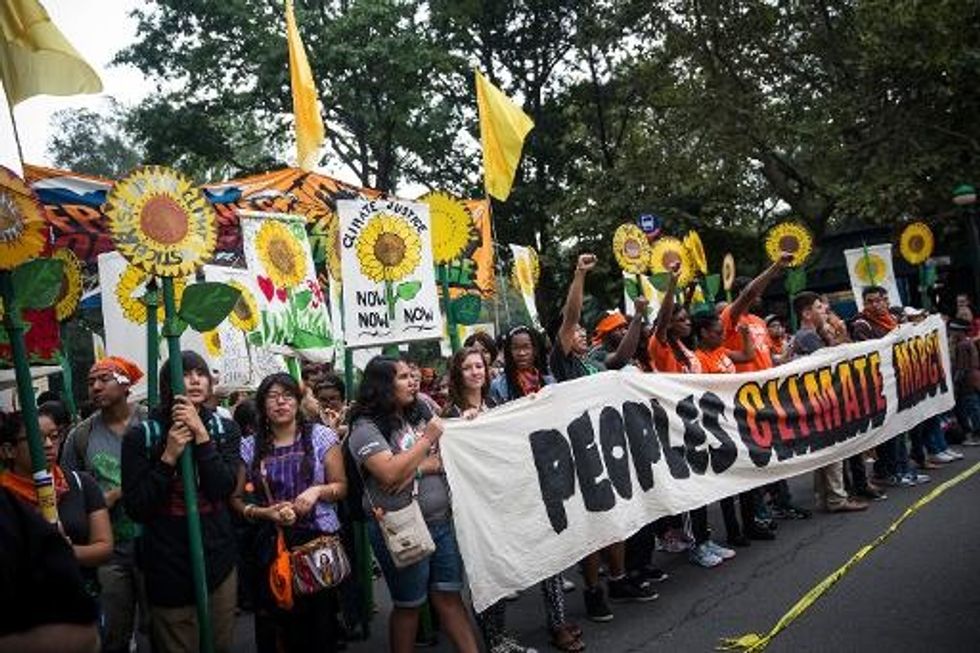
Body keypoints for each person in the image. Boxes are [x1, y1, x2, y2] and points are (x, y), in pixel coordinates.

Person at [547, 253, 658, 622]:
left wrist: (640, 316)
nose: (580, 333)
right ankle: (593, 590)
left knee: (616, 519)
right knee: (590, 527)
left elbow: (624, 353)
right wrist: (578, 273)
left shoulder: (593, 361)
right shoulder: (562, 363)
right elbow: (571, 317)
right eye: (575, 333)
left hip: (607, 449)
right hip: (580, 453)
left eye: (581, 334)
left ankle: (619, 579)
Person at [347, 356, 480, 653]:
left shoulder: (420, 410)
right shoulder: (364, 428)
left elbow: (445, 453)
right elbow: (390, 474)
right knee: (409, 606)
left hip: (440, 522)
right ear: (382, 385)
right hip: (400, 527)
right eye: (404, 377)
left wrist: (421, 465)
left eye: (412, 375)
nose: (413, 381)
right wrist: (427, 443)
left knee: (449, 597)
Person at [122, 351, 242, 653]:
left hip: (218, 556)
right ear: (167, 384)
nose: (195, 380)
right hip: (166, 561)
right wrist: (168, 458)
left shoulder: (224, 429)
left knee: (220, 643)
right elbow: (136, 506)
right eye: (186, 374)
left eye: (200, 373)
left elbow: (223, 488)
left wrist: (201, 438)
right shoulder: (142, 436)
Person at [232, 372, 347, 652]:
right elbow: (235, 500)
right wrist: (264, 513)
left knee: (319, 625)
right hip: (272, 546)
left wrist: (316, 491)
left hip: (316, 544)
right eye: (272, 397)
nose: (280, 402)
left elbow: (341, 487)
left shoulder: (321, 437)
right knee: (277, 624)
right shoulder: (248, 447)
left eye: (287, 396)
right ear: (262, 406)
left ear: (297, 402)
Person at [488, 326, 583, 651]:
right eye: (515, 348)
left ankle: (557, 623)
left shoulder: (550, 382)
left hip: (549, 477)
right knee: (501, 561)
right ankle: (495, 636)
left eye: (527, 346)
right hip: (516, 484)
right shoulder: (498, 388)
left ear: (536, 348)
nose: (521, 353)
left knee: (552, 556)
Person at [441, 347, 537, 653]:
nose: (475, 372)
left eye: (479, 366)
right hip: (471, 507)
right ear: (458, 373)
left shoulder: (497, 403)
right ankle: (494, 640)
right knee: (482, 574)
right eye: (467, 367)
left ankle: (500, 636)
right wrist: (462, 428)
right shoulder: (449, 414)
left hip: (500, 498)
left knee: (499, 570)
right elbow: (443, 456)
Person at [60, 356, 149, 653]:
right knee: (113, 637)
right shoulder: (80, 436)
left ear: (125, 386)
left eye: (103, 379)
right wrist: (102, 501)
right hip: (109, 554)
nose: (95, 387)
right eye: (90, 382)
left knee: (165, 631)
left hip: (157, 547)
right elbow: (67, 492)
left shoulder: (150, 424)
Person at [0, 409, 113, 598]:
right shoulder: (5, 497)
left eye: (54, 436)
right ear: (8, 450)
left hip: (78, 596)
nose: (48, 445)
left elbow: (104, 548)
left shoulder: (80, 483)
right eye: (37, 439)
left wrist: (67, 551)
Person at [692, 312, 773, 545]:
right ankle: (733, 531)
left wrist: (746, 334)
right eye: (717, 333)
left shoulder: (722, 352)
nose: (721, 336)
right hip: (718, 425)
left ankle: (750, 524)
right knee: (729, 481)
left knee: (746, 475)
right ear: (703, 333)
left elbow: (747, 356)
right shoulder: (699, 360)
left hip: (737, 420)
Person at [0, 482, 100, 653]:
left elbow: (80, 632)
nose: (50, 452)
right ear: (9, 453)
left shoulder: (12, 515)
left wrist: (67, 549)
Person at [791, 292, 867, 513]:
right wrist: (838, 334)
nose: (824, 309)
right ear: (806, 313)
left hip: (819, 400)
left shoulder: (811, 334)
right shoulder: (807, 337)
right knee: (833, 447)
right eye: (818, 307)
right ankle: (836, 498)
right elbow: (833, 360)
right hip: (820, 401)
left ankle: (826, 497)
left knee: (826, 449)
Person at [850, 287, 928, 488]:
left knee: (900, 428)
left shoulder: (892, 321)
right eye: (870, 301)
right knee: (890, 431)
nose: (876, 305)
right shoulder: (861, 324)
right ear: (864, 303)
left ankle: (902, 469)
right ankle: (889, 471)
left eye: (879, 300)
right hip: (879, 387)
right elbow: (867, 352)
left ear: (885, 301)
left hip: (897, 381)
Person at [949, 318, 980, 447]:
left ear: (960, 332)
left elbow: (962, 368)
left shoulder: (962, 345)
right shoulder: (968, 342)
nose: (951, 332)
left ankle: (977, 435)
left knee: (972, 408)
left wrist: (955, 384)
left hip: (966, 382)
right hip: (973, 379)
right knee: (973, 407)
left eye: (954, 330)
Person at [315, 374, 349, 439]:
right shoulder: (313, 423)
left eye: (333, 398)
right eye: (323, 400)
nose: (329, 404)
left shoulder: (353, 418)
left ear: (342, 398)